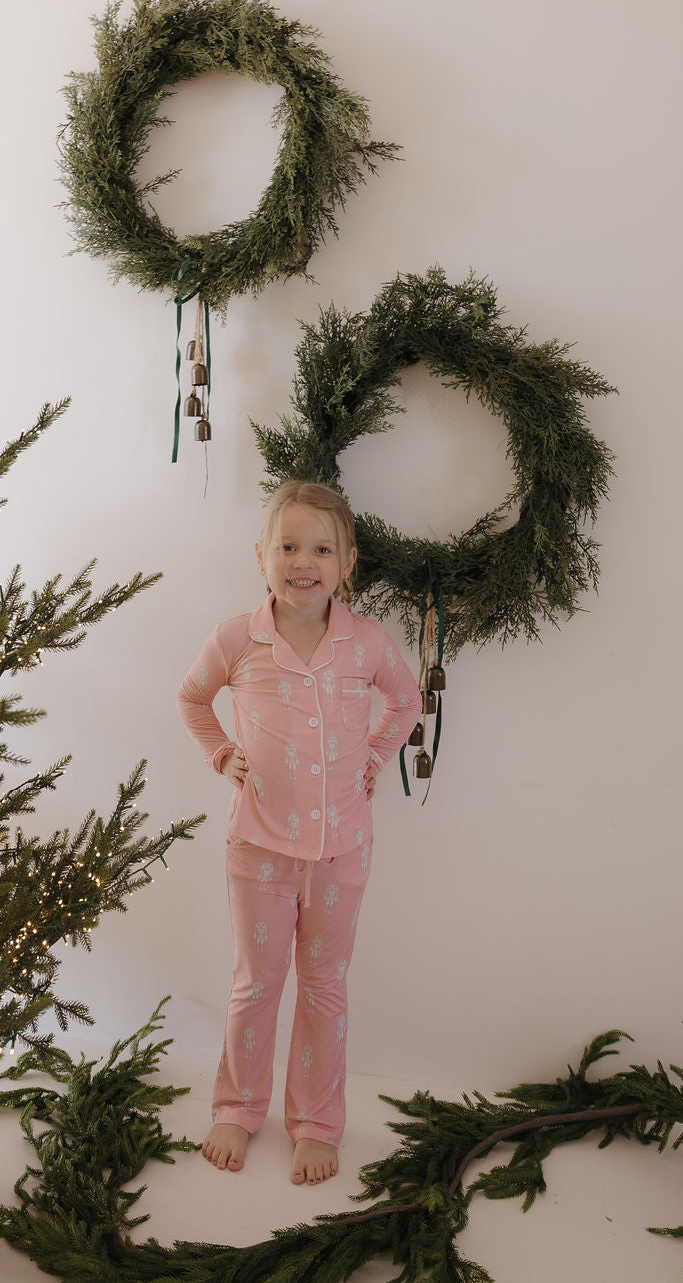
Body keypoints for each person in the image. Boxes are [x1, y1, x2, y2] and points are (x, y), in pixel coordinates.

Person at [176, 481, 421, 1186]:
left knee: (324, 985)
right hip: (257, 848)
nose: (302, 561)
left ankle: (316, 1120)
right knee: (256, 983)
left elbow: (406, 701)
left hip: (342, 852)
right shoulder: (236, 638)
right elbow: (193, 696)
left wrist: (375, 755)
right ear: (262, 555)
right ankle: (238, 1105)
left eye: (320, 548)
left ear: (347, 562)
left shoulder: (367, 643)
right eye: (287, 546)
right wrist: (221, 752)